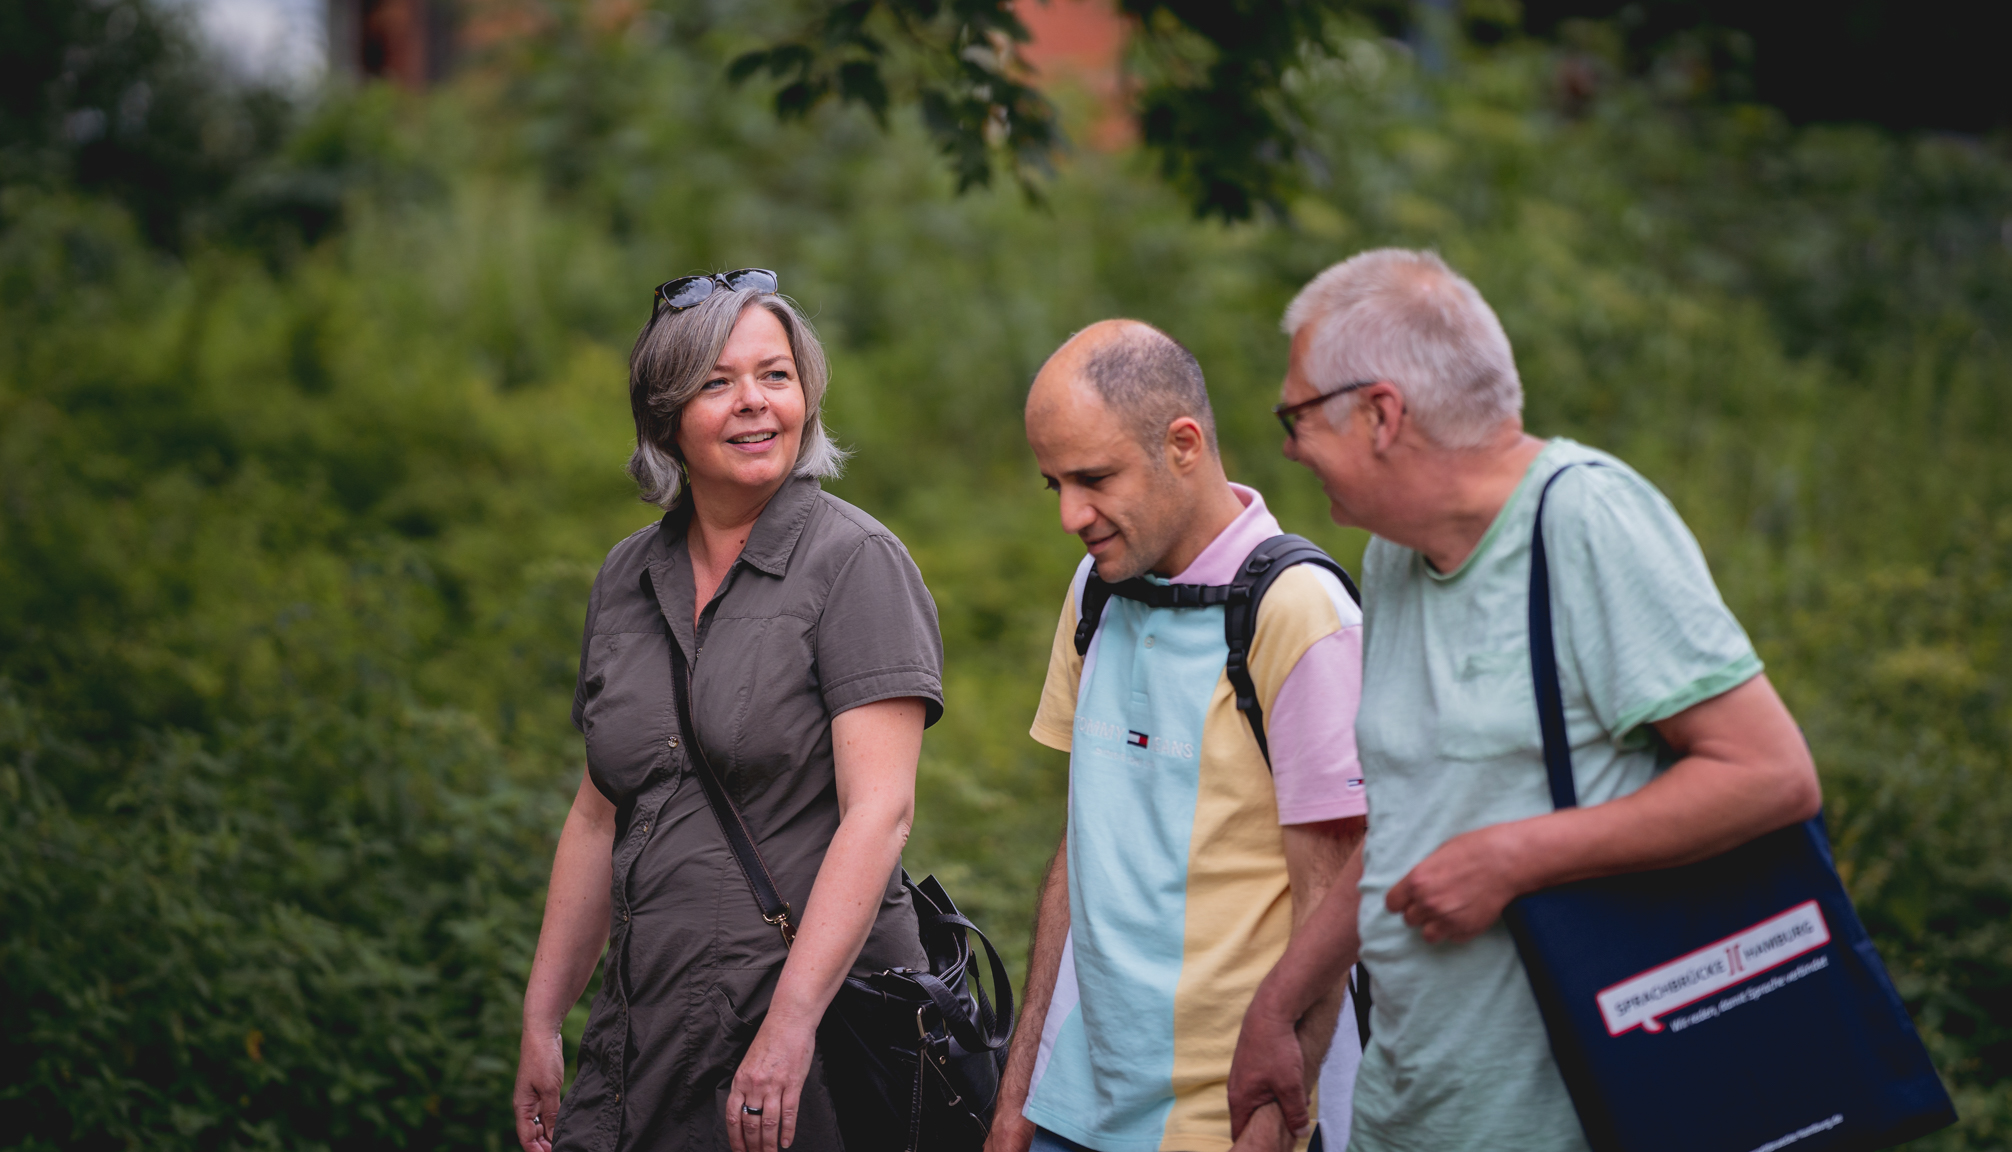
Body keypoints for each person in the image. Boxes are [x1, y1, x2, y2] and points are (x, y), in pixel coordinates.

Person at [1224, 249, 1823, 1151]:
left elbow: (1770, 774)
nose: (1286, 445)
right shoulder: (1393, 554)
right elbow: (1411, 822)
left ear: (1382, 413)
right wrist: (1279, 1004)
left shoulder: (1587, 521)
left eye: (1297, 416)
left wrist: (1511, 858)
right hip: (1410, 1111)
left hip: (1582, 1114)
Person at [511, 270, 946, 1152]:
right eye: (717, 382)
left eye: (775, 375)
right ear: (665, 416)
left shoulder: (855, 562)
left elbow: (880, 814)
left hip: (803, 1044)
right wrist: (544, 1018)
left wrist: (788, 1029)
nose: (754, 402)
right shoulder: (626, 577)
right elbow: (598, 814)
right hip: (641, 1036)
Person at [985, 320, 1369, 1152]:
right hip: (1072, 1108)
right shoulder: (1097, 587)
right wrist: (1018, 1093)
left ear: (1183, 445)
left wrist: (1272, 1126)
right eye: (1054, 484)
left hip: (1222, 1117)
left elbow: (1334, 898)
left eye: (1095, 478)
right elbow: (1080, 849)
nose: (1071, 515)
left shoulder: (1299, 612)